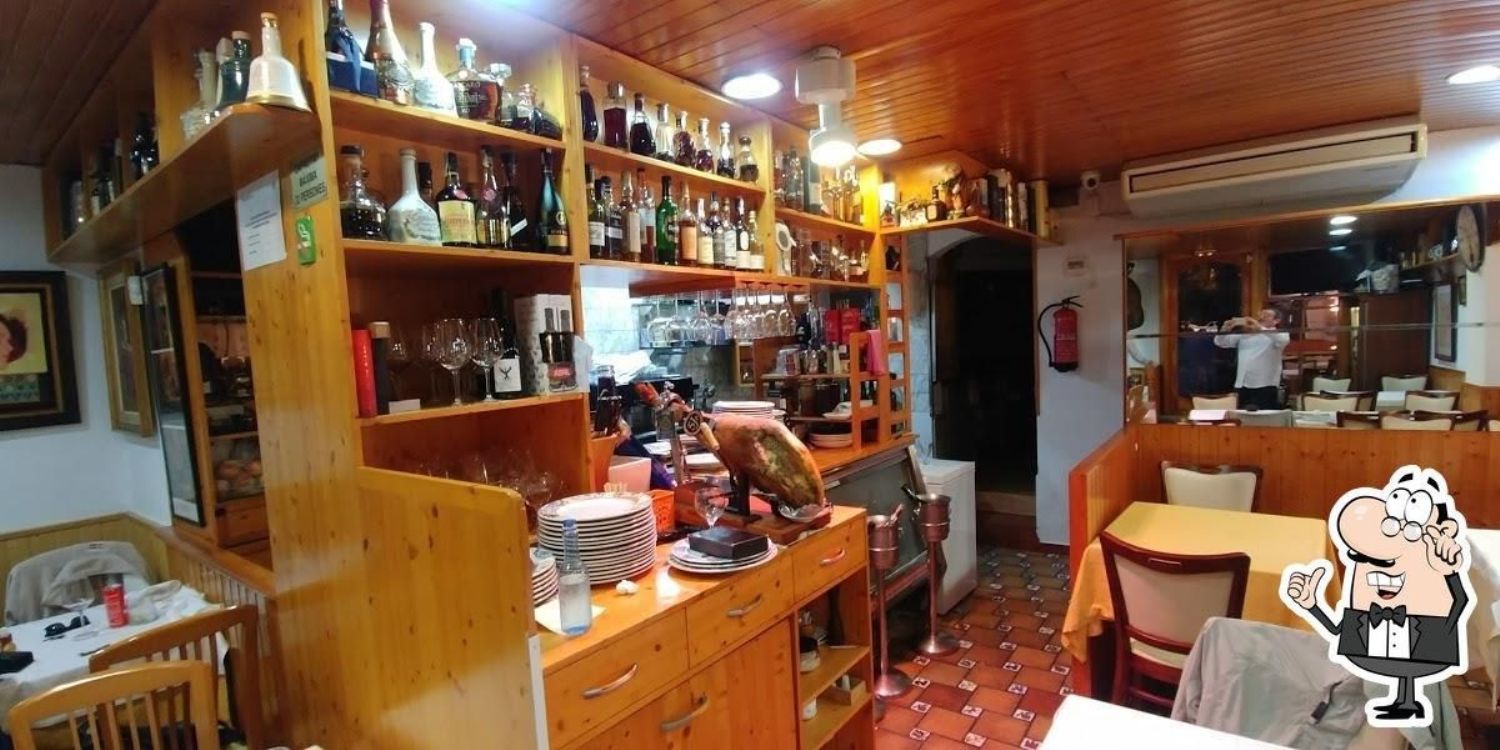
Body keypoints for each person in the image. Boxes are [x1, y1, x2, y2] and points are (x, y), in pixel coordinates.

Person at [1283, 466, 1473, 725]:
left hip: (1423, 636)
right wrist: (1312, 605)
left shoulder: (1433, 585)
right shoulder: (1364, 609)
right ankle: (1403, 702)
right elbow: (1341, 633)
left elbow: (1461, 600)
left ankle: (1407, 702)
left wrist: (1448, 581)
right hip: (1377, 647)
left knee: (1409, 668)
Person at [1213, 308, 1288, 410]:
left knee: (1264, 416)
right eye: (1261, 314)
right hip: (1242, 384)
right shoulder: (1245, 333)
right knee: (1242, 415)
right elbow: (1220, 342)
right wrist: (1225, 328)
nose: (1262, 317)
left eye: (1267, 315)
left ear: (1276, 320)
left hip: (1265, 384)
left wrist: (1259, 328)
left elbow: (1282, 340)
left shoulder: (1279, 334)